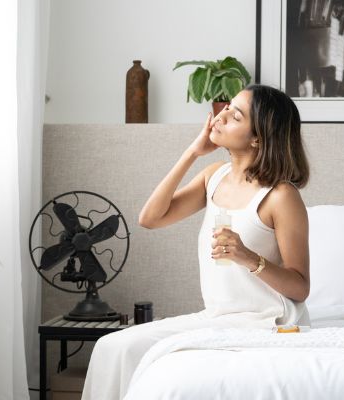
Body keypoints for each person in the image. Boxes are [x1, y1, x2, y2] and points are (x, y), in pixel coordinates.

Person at [81, 84, 311, 400]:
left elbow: (300, 287)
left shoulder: (281, 197)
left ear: (257, 137)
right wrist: (192, 152)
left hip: (265, 321)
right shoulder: (213, 175)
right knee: (112, 346)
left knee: (126, 348)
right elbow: (150, 218)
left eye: (235, 115)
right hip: (217, 318)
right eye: (226, 108)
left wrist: (249, 258)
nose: (221, 116)